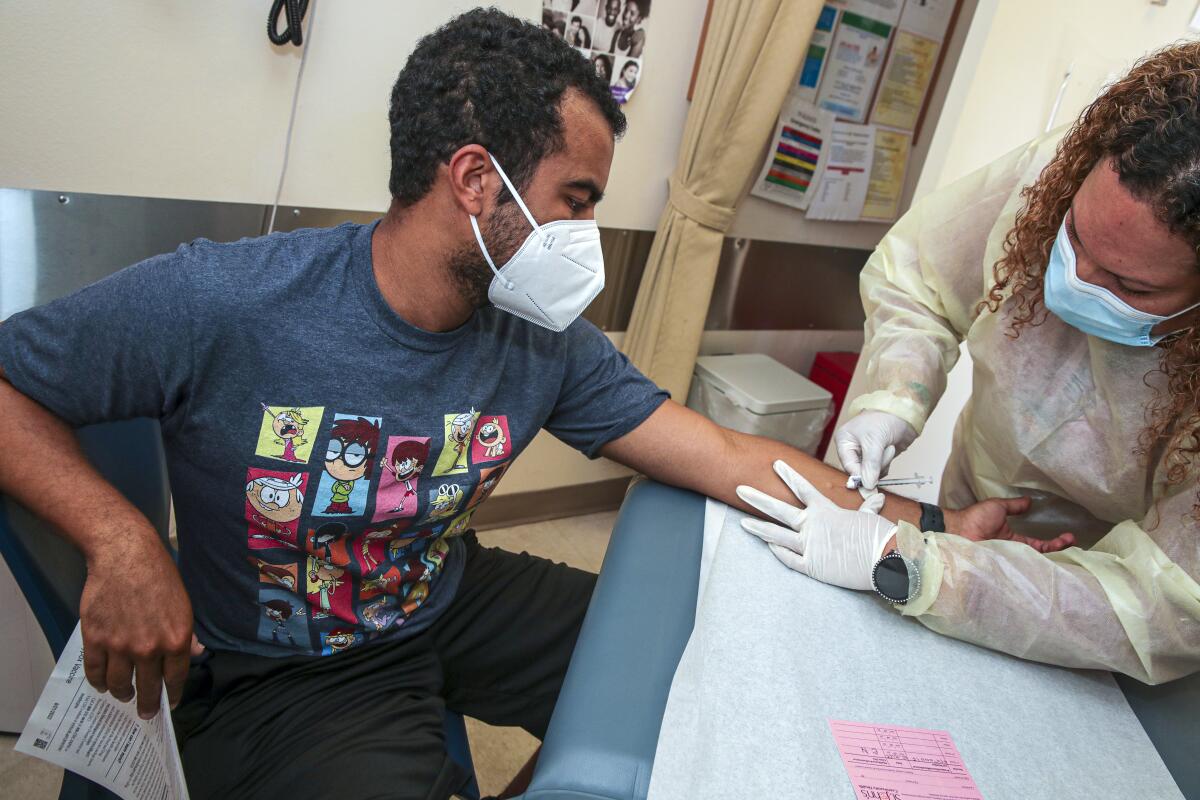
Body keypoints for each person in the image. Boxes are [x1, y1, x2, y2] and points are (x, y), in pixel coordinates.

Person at [0, 8, 1042, 800]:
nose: (584, 235)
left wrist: (936, 526)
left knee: (683, 662)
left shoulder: (538, 340)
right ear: (472, 177)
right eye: (576, 200)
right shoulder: (225, 299)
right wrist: (120, 535)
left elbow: (720, 451)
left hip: (442, 596)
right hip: (289, 667)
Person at [739, 42, 1200, 685]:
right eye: (1074, 239)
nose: (1076, 280)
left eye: (1132, 286)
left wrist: (925, 570)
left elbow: (1167, 604)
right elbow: (918, 279)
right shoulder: (1059, 174)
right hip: (969, 504)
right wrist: (893, 399)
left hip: (1098, 601)